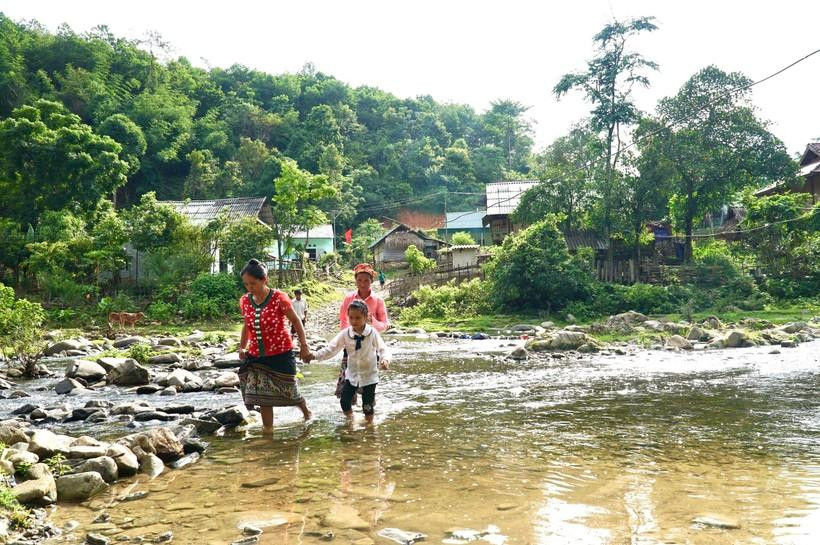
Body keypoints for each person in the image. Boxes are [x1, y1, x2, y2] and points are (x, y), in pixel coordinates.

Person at [237, 259, 312, 431]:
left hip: (281, 353)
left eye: (253, 284)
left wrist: (304, 345)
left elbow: (296, 321)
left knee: (290, 391)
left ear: (264, 280)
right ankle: (268, 431)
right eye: (246, 284)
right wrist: (242, 347)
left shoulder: (279, 298)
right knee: (263, 397)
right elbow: (247, 325)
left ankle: (307, 413)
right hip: (257, 355)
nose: (249, 288)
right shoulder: (245, 301)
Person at [308, 301, 389, 422]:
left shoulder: (372, 333)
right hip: (351, 375)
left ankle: (369, 428)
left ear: (366, 317)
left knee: (367, 406)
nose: (354, 321)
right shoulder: (345, 334)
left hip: (369, 375)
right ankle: (351, 421)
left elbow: (383, 348)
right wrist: (314, 355)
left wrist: (385, 359)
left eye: (358, 318)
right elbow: (331, 349)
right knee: (344, 402)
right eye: (351, 317)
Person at [335, 263, 389, 399]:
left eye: (366, 280)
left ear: (372, 281)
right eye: (359, 280)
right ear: (355, 281)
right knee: (347, 385)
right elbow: (342, 319)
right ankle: (350, 414)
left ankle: (368, 412)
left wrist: (373, 322)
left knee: (368, 386)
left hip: (370, 346)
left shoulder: (378, 300)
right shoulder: (349, 298)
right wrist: (346, 337)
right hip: (350, 345)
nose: (363, 283)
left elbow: (384, 324)